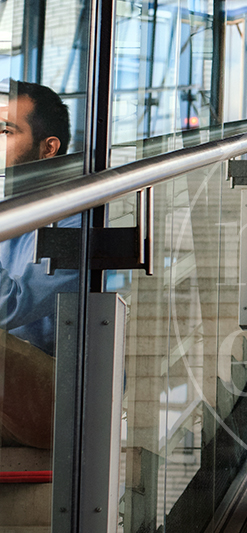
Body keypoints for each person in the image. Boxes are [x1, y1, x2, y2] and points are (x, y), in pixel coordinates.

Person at [0, 80, 78, 449]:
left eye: (6, 130)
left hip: (61, 394)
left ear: (48, 148)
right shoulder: (9, 213)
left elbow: (12, 306)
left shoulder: (77, 218)